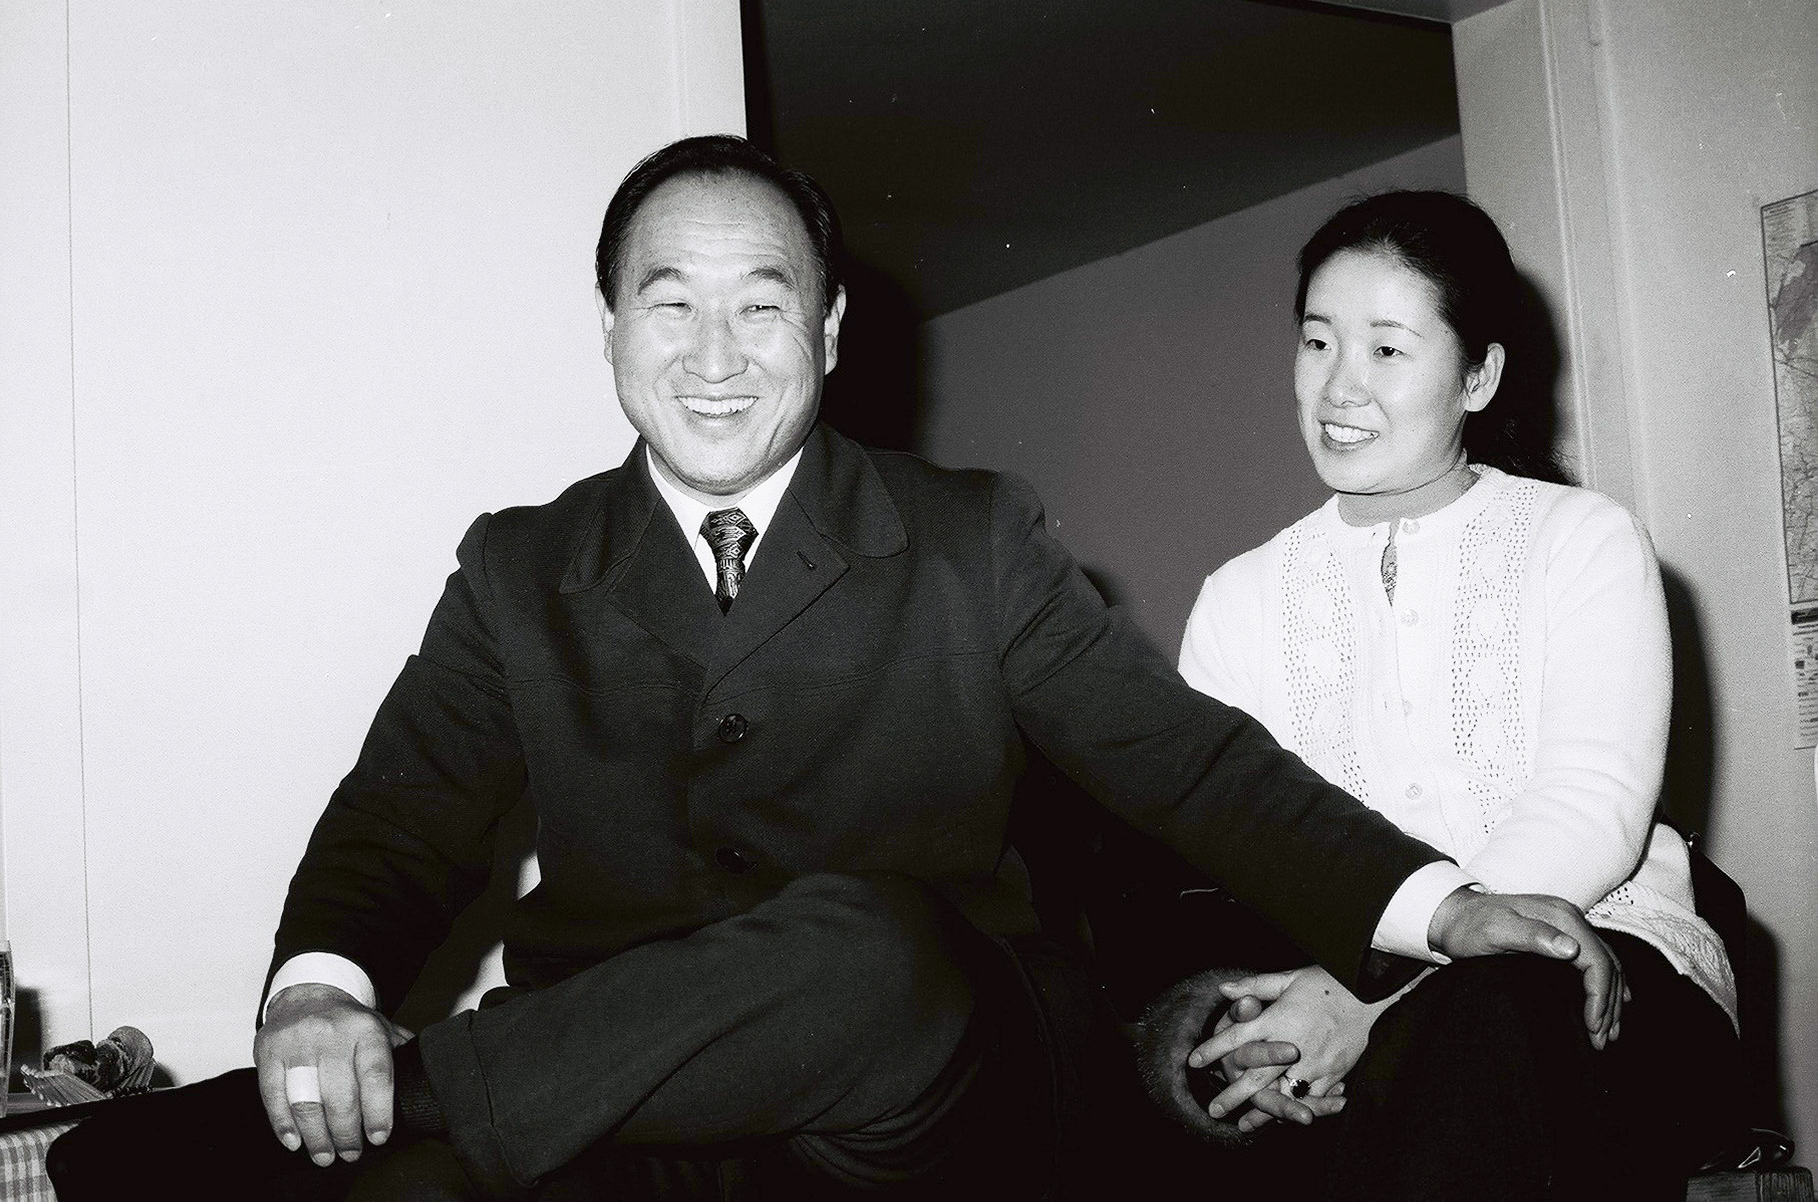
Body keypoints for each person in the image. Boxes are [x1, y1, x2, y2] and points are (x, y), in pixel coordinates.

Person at [51, 143, 1621, 1201]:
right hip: (624, 1115)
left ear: (830, 328)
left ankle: (393, 1095)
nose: (713, 355)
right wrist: (317, 996)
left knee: (871, 948)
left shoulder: (973, 537)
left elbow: (1187, 762)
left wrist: (1436, 908)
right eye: (670, 304)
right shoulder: (520, 568)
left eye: (762, 305)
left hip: (929, 1091)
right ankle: (368, 1106)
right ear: (608, 328)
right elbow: (399, 816)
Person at [1169, 190, 1739, 1199]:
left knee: (1487, 1018)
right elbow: (1231, 844)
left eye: (1387, 349)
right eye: (1317, 342)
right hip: (1327, 992)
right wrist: (1284, 1017)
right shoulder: (1237, 600)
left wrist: (1367, 993)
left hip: (1599, 965)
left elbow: (1591, 806)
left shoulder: (1582, 540)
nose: (1339, 386)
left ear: (1479, 376)